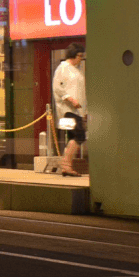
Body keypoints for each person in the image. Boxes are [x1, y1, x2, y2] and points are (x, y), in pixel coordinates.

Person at [53, 43, 87, 177]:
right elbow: (57, 88)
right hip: (67, 109)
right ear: (73, 54)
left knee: (74, 136)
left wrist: (84, 111)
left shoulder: (76, 69)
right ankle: (66, 164)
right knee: (79, 135)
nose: (80, 58)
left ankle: (67, 165)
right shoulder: (63, 68)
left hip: (76, 110)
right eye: (79, 55)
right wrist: (70, 99)